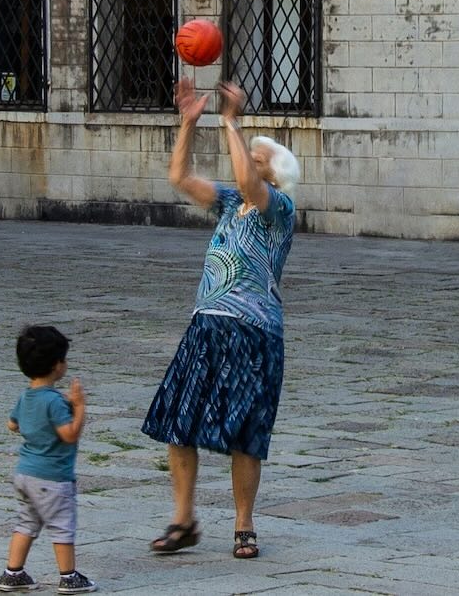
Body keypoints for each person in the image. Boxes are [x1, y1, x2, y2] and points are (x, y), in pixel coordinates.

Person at [142, 79, 301, 561]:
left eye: (260, 158)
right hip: (207, 323)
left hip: (253, 332)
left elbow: (251, 184)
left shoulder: (280, 209)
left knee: (246, 433)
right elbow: (179, 176)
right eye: (248, 154)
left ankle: (243, 524)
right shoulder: (231, 205)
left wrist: (230, 122)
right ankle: (183, 518)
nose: (249, 162)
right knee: (178, 421)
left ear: (277, 175)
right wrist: (189, 122)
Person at [0, 325, 97, 594]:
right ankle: (68, 576)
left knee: (26, 523)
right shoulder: (55, 402)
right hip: (52, 478)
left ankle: (13, 572)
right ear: (57, 366)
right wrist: (79, 407)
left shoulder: (26, 396)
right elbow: (69, 434)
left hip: (24, 474)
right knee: (62, 526)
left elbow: (12, 425)